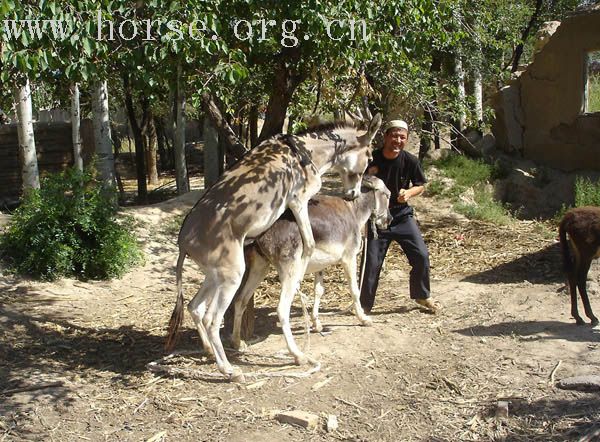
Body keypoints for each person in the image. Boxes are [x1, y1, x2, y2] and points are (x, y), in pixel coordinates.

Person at [359, 119, 437, 314]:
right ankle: (363, 306)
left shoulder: (411, 161)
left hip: (402, 216)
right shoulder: (370, 159)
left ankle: (422, 295)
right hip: (377, 219)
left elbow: (420, 184)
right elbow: (356, 185)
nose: (398, 140)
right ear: (385, 137)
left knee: (421, 255)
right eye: (394, 135)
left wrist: (408, 193)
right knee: (371, 264)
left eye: (402, 137)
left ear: (407, 139)